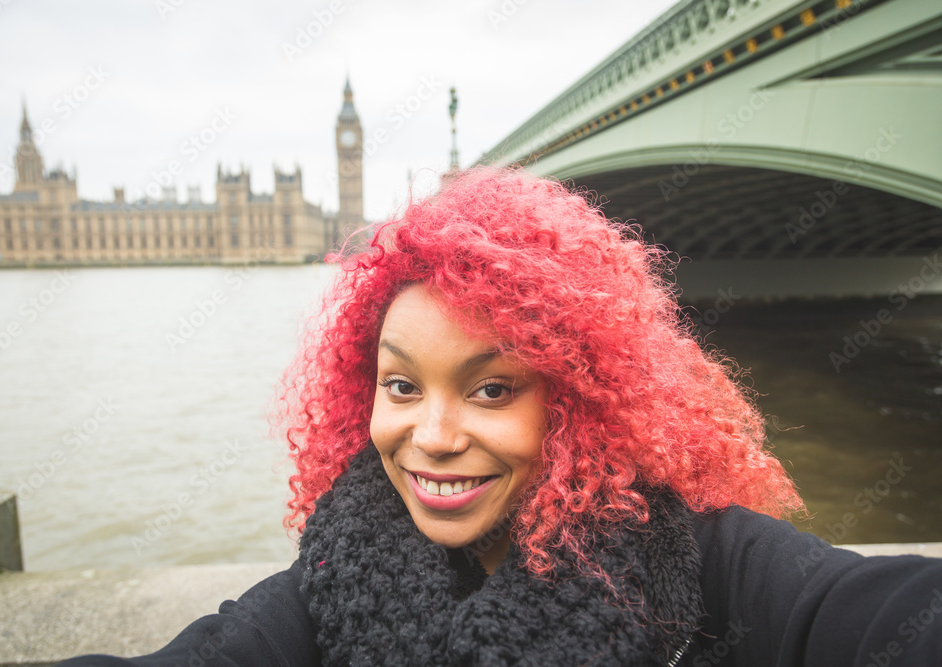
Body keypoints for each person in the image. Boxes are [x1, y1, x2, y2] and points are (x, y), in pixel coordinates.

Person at [62, 169, 942, 666]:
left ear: (579, 399)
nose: (432, 435)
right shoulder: (335, 572)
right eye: (400, 385)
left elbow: (870, 615)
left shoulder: (715, 565)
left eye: (491, 389)